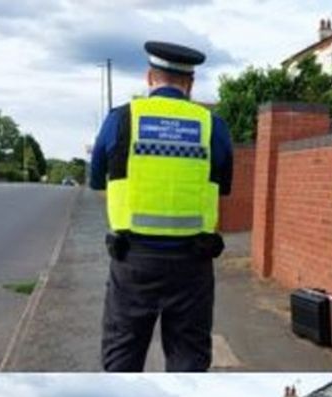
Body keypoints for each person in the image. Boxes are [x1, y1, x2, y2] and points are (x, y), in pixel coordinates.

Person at [89, 41, 234, 372]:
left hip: (133, 259)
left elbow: (97, 180)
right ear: (190, 84)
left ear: (150, 77)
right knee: (189, 358)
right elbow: (222, 188)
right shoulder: (213, 126)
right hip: (193, 263)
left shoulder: (121, 120)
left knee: (122, 354)